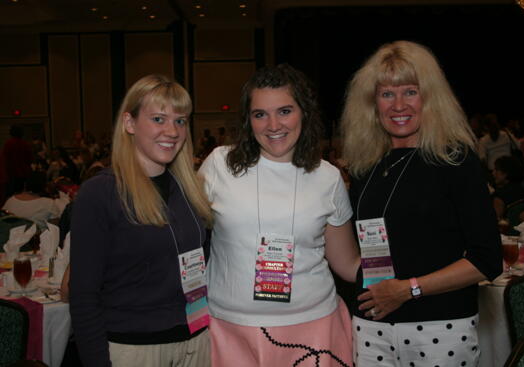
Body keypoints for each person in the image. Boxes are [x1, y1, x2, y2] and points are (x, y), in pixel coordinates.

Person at [341, 41, 502, 367]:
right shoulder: (366, 166)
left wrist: (408, 290)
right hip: (371, 326)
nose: (399, 105)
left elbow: (487, 260)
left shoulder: (454, 160)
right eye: (387, 94)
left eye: (410, 92)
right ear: (373, 103)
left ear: (429, 97)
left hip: (440, 328)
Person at [199, 64, 359, 367]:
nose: (273, 125)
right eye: (260, 114)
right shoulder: (219, 165)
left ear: (304, 113)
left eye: (285, 111)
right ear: (248, 120)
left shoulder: (328, 177)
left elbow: (347, 263)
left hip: (313, 329)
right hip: (231, 330)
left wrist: (410, 275)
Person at [70, 74, 213, 366]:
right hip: (135, 350)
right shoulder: (101, 193)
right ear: (130, 123)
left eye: (180, 120)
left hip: (197, 342)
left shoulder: (190, 190)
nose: (171, 131)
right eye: (159, 119)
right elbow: (84, 296)